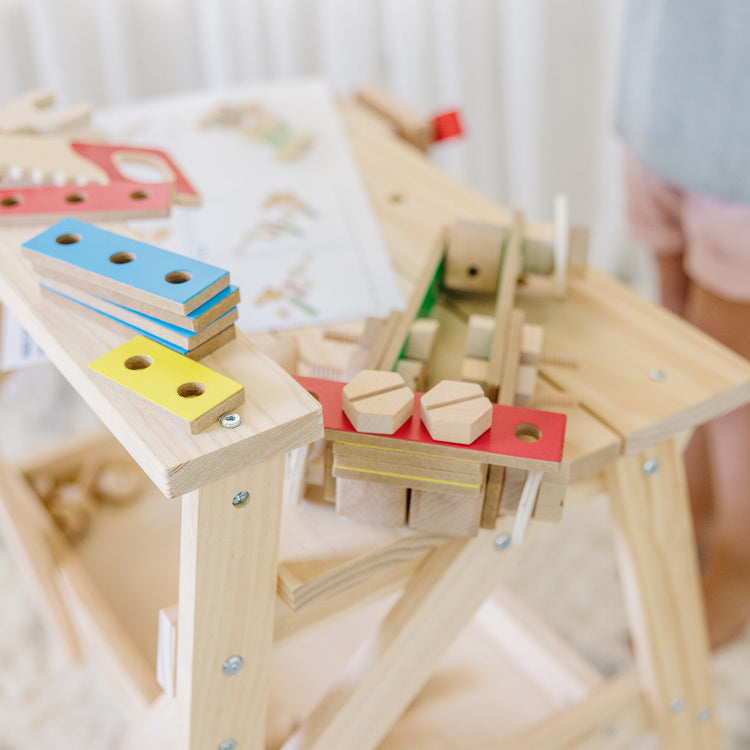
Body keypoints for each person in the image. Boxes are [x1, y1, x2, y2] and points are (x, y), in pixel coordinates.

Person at [615, 1, 750, 648]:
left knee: (730, 365)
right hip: (661, 93)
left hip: (738, 141)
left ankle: (740, 552)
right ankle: (696, 500)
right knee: (676, 318)